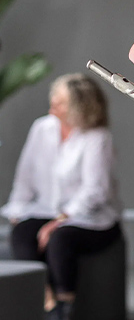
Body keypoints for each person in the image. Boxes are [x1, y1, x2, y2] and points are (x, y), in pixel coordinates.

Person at [1, 73, 123, 320]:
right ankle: (45, 300)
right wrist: (17, 210)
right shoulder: (41, 128)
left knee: (59, 240)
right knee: (22, 234)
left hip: (92, 218)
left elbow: (95, 191)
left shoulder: (97, 138)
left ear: (81, 107)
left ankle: (64, 309)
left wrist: (59, 221)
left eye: (61, 102)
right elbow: (24, 177)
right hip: (45, 209)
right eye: (54, 98)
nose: (53, 104)